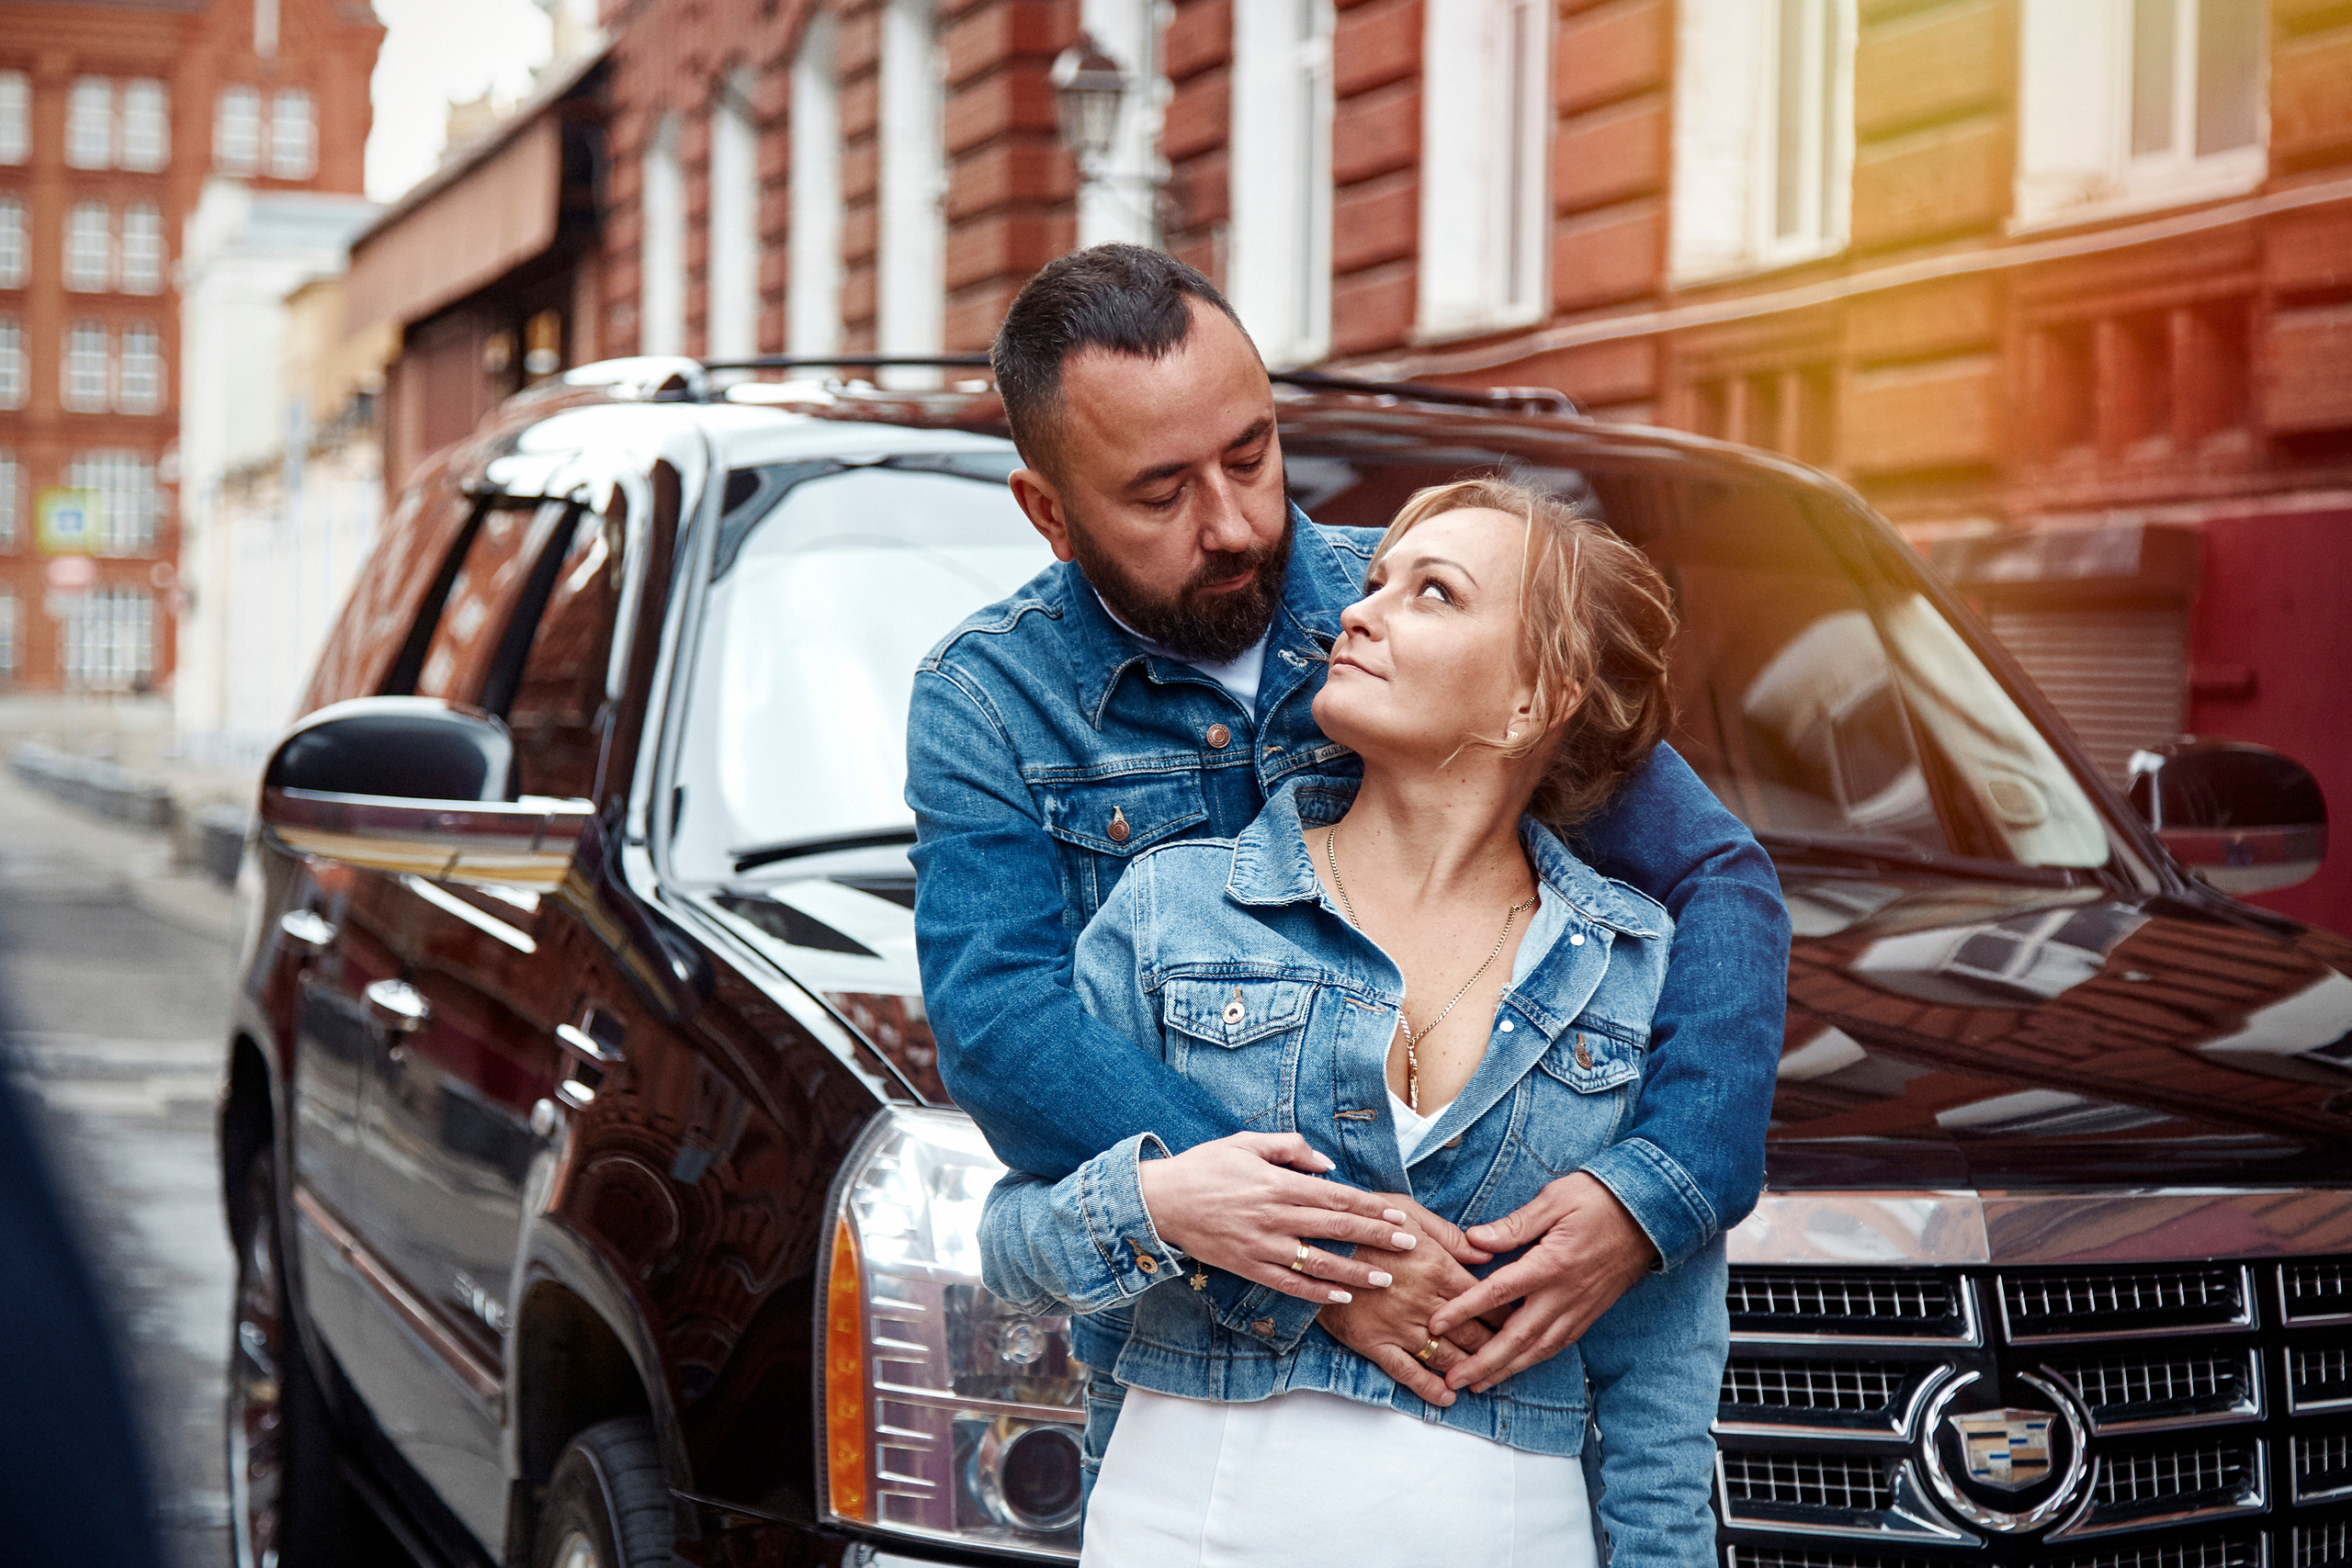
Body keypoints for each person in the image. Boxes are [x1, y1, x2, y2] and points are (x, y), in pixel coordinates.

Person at [907, 244, 1790, 1495]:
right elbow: (1003, 1027)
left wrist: (1653, 1187)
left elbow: (1722, 882)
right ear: (1049, 513)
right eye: (1160, 493)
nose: (1236, 523)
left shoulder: (1430, 610)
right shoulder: (989, 698)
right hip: (1196, 1421)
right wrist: (1334, 1259)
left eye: (1253, 453)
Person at [978, 477, 1730, 1565]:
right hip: (1185, 1529)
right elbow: (1011, 1247)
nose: (1358, 613)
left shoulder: (1631, 968)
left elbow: (1660, 1383)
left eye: (1433, 593)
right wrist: (1164, 1203)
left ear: (1532, 701)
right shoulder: (1171, 909)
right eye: (1372, 584)